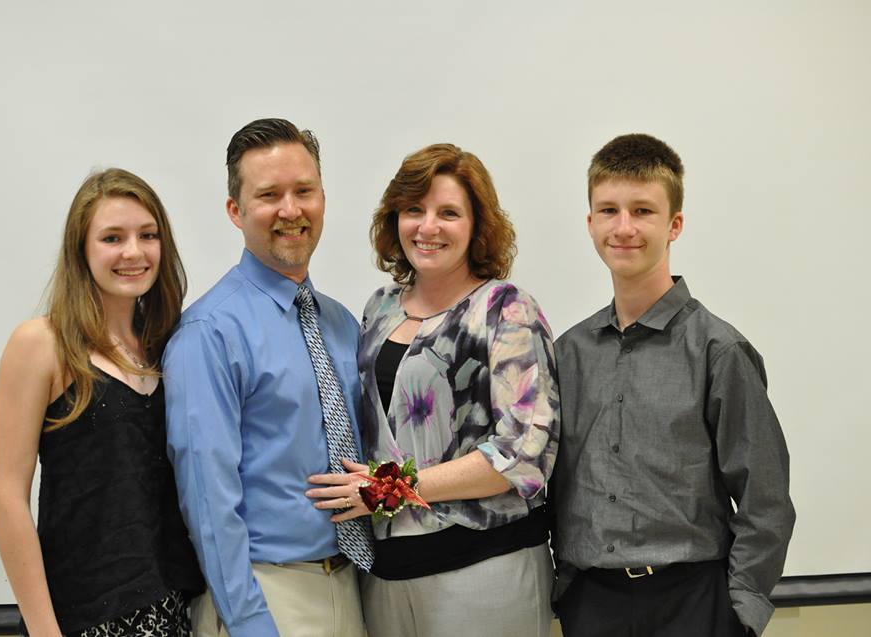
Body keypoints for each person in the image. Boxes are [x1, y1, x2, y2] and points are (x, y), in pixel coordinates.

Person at [306, 143, 560, 637]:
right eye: (414, 210)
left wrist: (389, 490)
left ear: (476, 224)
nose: (428, 227)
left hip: (485, 566)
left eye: (448, 213)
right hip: (387, 572)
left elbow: (525, 453)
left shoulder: (505, 310)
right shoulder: (379, 309)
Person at [551, 133, 796, 637]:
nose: (624, 227)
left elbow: (764, 498)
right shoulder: (569, 353)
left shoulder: (718, 351)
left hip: (694, 603)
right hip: (592, 604)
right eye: (609, 210)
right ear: (589, 222)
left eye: (643, 210)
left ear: (674, 224)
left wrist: (738, 612)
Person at [163, 118, 370, 637]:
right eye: (269, 195)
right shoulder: (209, 333)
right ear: (236, 210)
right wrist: (250, 622)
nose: (291, 210)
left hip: (353, 587)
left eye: (304, 191)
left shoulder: (343, 324)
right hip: (266, 595)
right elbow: (207, 498)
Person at [0, 168, 205, 637]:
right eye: (112, 237)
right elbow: (8, 496)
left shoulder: (169, 345)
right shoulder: (41, 344)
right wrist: (45, 630)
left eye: (147, 235)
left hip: (176, 607)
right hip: (83, 616)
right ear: (81, 249)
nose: (133, 251)